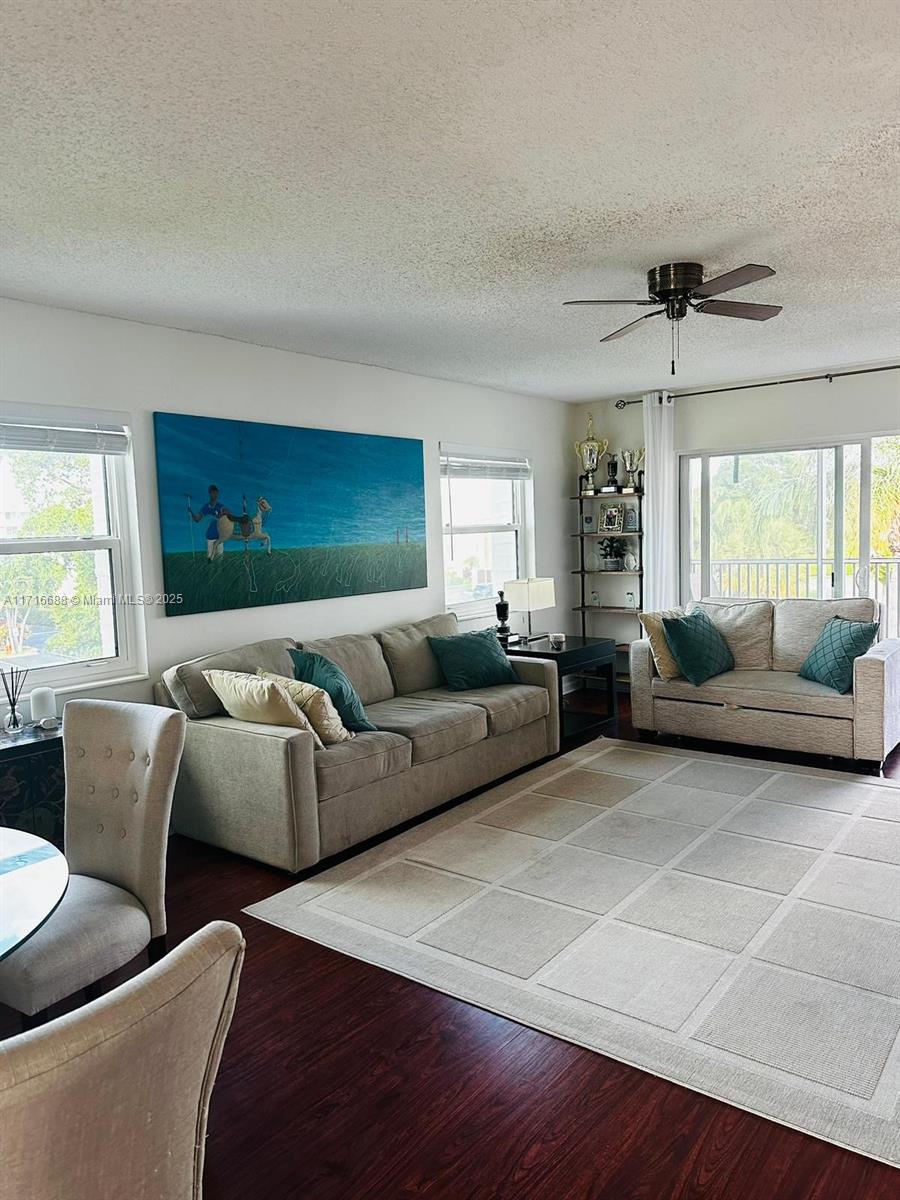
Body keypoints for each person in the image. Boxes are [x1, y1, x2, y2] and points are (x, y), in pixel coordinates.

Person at [189, 485, 235, 560]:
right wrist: (191, 513)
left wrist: (224, 513)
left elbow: (226, 511)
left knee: (220, 560)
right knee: (210, 559)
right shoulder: (206, 507)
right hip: (210, 537)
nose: (215, 494)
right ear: (210, 493)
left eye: (216, 492)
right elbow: (197, 519)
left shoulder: (220, 506)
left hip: (220, 537)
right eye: (213, 492)